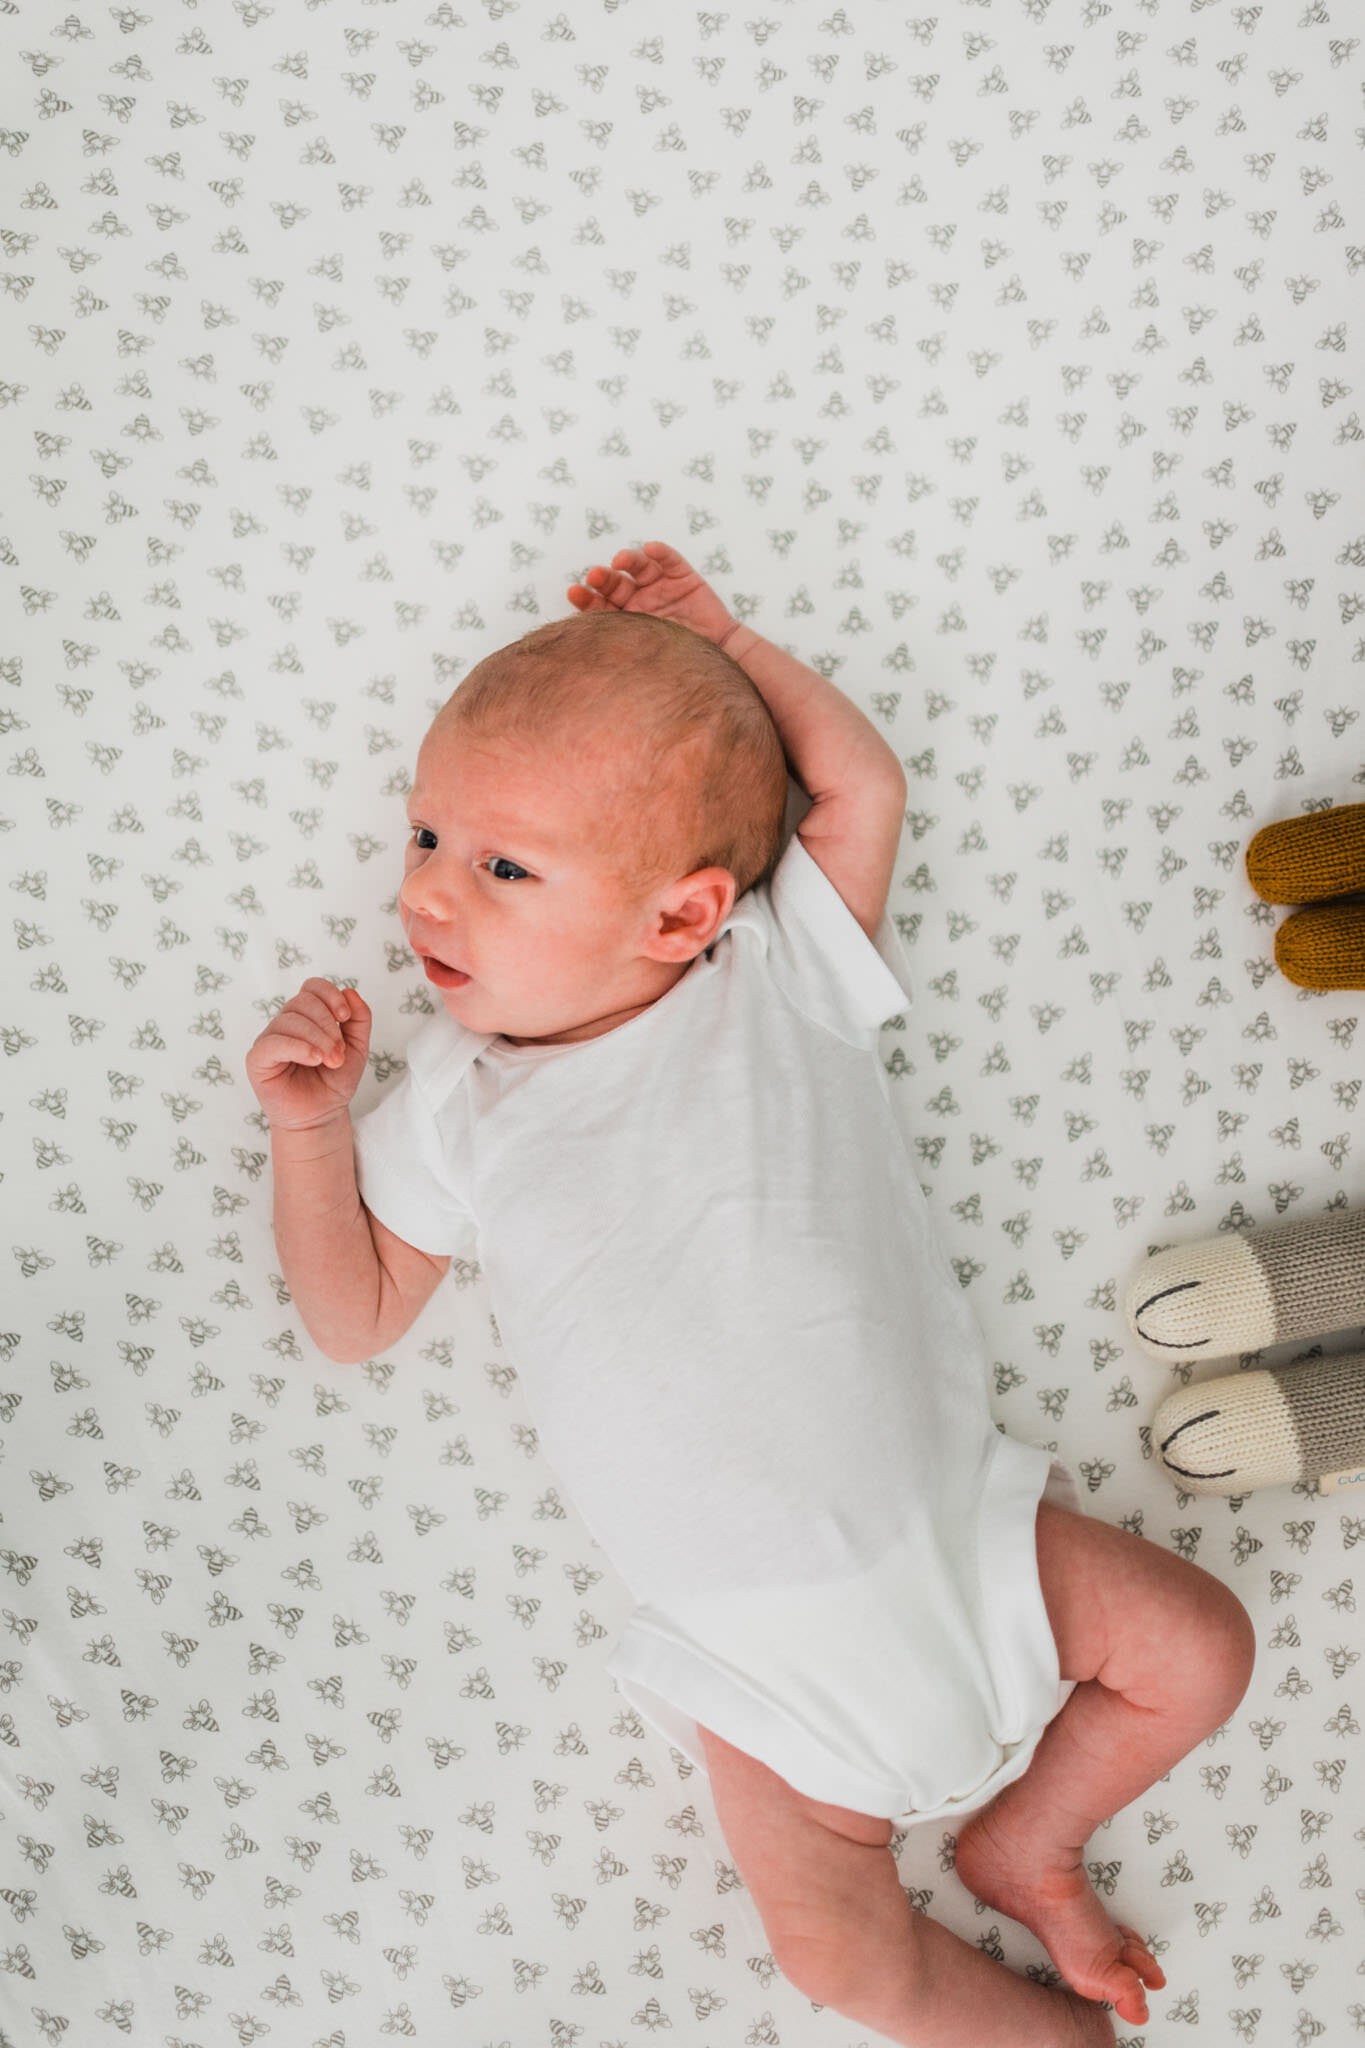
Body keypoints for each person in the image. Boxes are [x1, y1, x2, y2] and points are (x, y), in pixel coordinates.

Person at [245, 541, 1255, 2048]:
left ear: (681, 912)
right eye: (426, 836)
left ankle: (1026, 1842)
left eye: (503, 866)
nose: (430, 898)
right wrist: (310, 1132)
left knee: (1198, 1652)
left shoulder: (773, 972)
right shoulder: (461, 1107)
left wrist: (732, 642)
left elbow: (860, 792)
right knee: (841, 1959)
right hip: (756, 1661)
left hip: (961, 1542)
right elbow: (355, 1314)